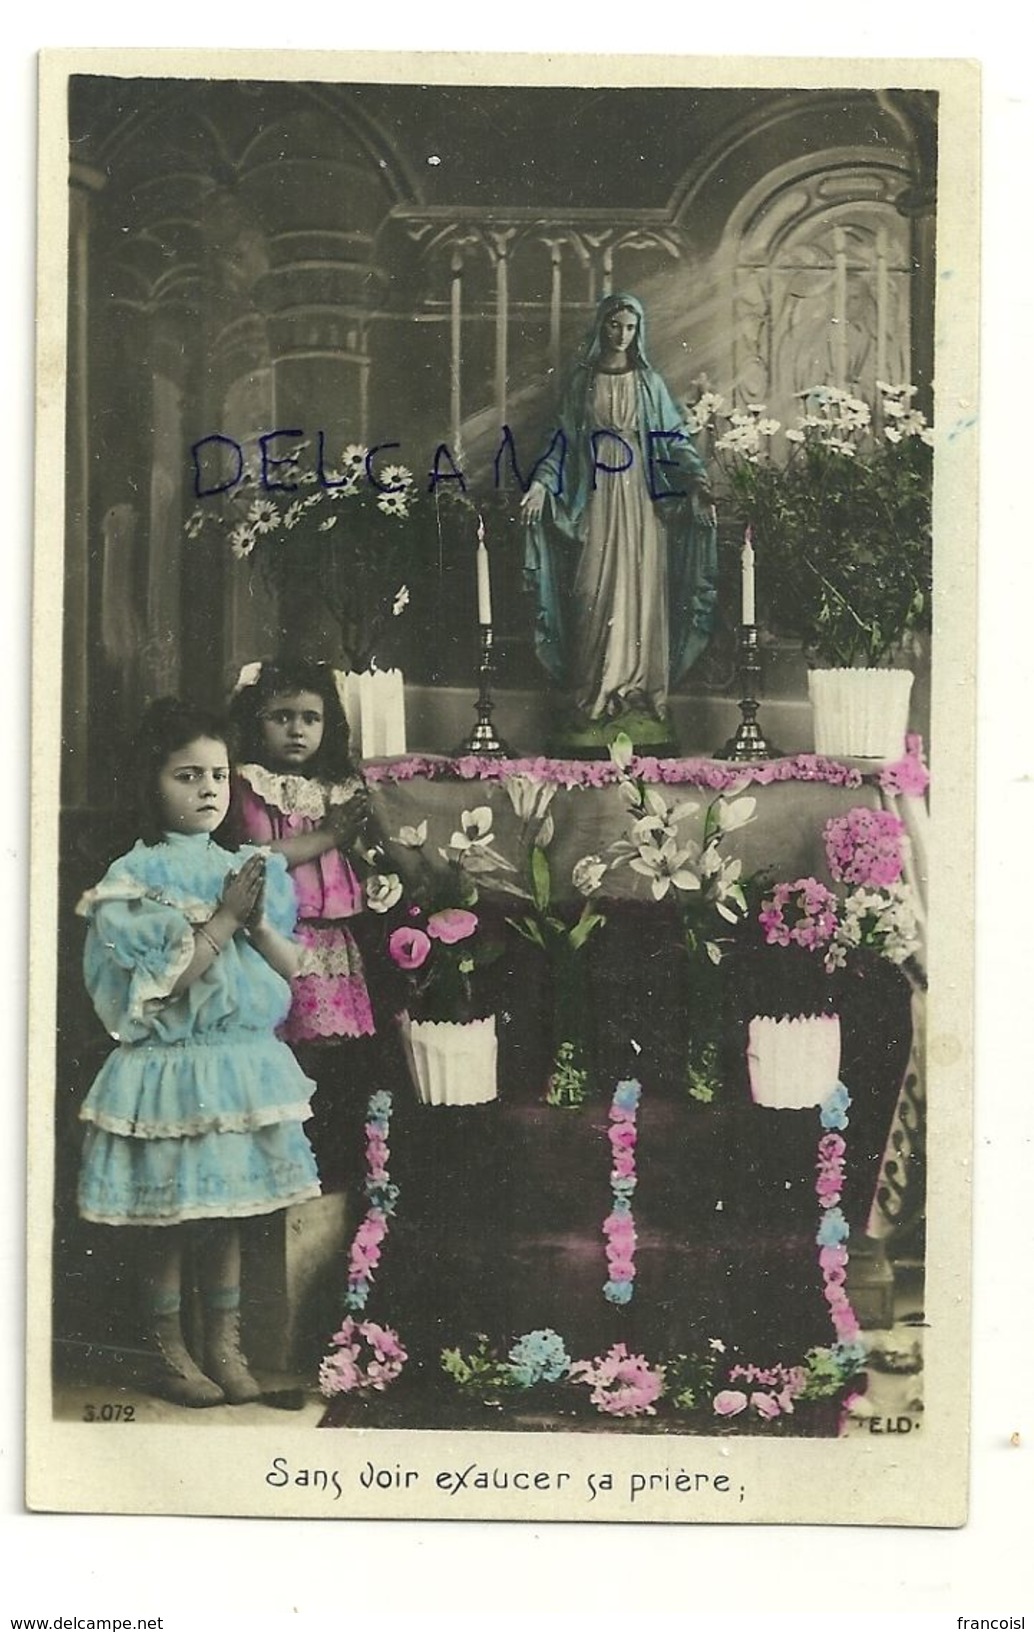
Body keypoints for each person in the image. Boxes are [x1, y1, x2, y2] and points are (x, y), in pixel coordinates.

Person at [76, 699, 320, 1407]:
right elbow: (162, 986)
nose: (209, 790)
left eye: (219, 774)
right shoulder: (136, 876)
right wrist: (221, 921)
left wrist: (253, 924)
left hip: (236, 1060)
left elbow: (289, 964)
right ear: (151, 783)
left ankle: (223, 1341)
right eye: (188, 776)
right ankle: (168, 1347)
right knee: (172, 1220)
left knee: (226, 1210)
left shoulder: (247, 864)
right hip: (170, 1065)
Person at [522, 291, 718, 733]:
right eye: (615, 325)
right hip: (596, 493)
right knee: (591, 591)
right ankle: (595, 688)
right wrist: (540, 483)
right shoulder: (582, 382)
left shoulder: (649, 384)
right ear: (602, 325)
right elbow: (560, 441)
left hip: (642, 500)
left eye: (630, 328)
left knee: (642, 588)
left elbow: (674, 440)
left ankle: (639, 690)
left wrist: (698, 483)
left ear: (638, 331)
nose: (622, 335)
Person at [227, 659, 376, 1188]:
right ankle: (277, 1164)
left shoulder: (333, 786)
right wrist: (329, 836)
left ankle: (313, 1164)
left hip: (330, 937)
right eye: (281, 716)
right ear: (254, 722)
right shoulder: (248, 782)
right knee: (283, 1053)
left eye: (310, 718)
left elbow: (363, 847)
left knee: (323, 1060)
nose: (297, 730)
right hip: (280, 935)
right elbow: (258, 853)